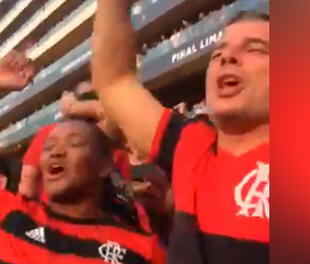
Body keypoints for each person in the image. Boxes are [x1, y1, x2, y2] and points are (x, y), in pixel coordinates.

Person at [92, 1, 269, 263]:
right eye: (217, 55)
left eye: (255, 49)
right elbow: (115, 82)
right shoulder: (192, 147)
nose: (227, 58)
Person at [0, 119, 166, 264]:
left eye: (74, 144)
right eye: (48, 147)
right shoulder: (5, 211)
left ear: (104, 165)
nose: (56, 152)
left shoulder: (142, 249)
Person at [19, 81, 127, 200]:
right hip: (52, 213)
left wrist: (73, 107)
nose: (88, 103)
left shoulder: (111, 141)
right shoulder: (50, 133)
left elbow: (123, 188)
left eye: (94, 97)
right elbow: (27, 185)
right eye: (85, 97)